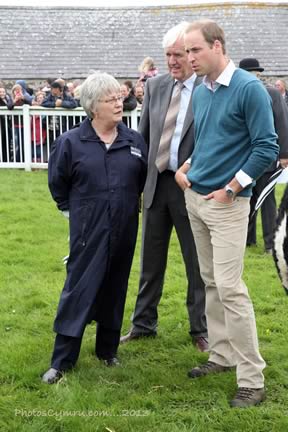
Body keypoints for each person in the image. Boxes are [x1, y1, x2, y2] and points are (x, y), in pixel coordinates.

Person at [175, 19, 278, 408]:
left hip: (228, 204)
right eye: (186, 52)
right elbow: (207, 141)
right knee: (212, 282)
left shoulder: (249, 89)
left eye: (195, 50)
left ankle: (252, 379)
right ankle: (221, 356)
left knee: (231, 289)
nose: (189, 58)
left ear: (217, 46)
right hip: (196, 198)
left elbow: (266, 147)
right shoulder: (202, 91)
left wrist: (232, 188)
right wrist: (186, 168)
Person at [42, 72, 147, 384]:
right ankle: (62, 360)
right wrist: (75, 215)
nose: (119, 103)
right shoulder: (70, 143)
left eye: (119, 97)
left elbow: (138, 181)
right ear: (92, 107)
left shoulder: (133, 141)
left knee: (116, 287)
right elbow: (57, 184)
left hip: (125, 226)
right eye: (110, 99)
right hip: (88, 230)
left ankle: (107, 350)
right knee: (79, 289)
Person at [121, 22, 208, 352]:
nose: (172, 61)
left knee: (195, 263)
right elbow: (144, 137)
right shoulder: (156, 86)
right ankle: (143, 324)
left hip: (190, 186)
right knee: (150, 260)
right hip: (157, 184)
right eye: (167, 55)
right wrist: (137, 183)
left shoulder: (207, 88)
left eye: (178, 55)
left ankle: (201, 329)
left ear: (191, 54)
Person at [239, 58, 288, 253]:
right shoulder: (237, 92)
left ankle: (270, 243)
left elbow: (282, 123)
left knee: (267, 201)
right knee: (246, 200)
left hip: (267, 158)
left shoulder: (273, 93)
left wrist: (284, 153)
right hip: (244, 159)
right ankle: (247, 239)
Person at [0, 85, 13, 162]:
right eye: (0, 92)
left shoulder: (7, 99)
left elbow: (10, 106)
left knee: (7, 142)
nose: (2, 93)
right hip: (1, 125)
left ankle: (6, 159)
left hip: (6, 124)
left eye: (3, 92)